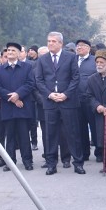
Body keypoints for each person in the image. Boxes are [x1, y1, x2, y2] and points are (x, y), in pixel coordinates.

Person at [37, 32, 82, 176]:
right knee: (50, 135)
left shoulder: (70, 57)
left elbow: (75, 78)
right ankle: (51, 164)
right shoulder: (42, 59)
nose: (50, 43)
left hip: (67, 101)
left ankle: (78, 163)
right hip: (50, 102)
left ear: (60, 43)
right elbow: (39, 80)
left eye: (53, 41)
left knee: (72, 133)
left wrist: (66, 94)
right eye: (48, 41)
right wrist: (50, 94)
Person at [0, 42, 36, 170]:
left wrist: (18, 94)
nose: (10, 52)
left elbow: (30, 84)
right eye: (8, 50)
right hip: (8, 107)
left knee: (24, 135)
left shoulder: (27, 67)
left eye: (13, 50)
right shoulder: (0, 69)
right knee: (10, 136)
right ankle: (10, 162)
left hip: (22, 107)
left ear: (18, 53)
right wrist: (12, 98)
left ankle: (27, 161)